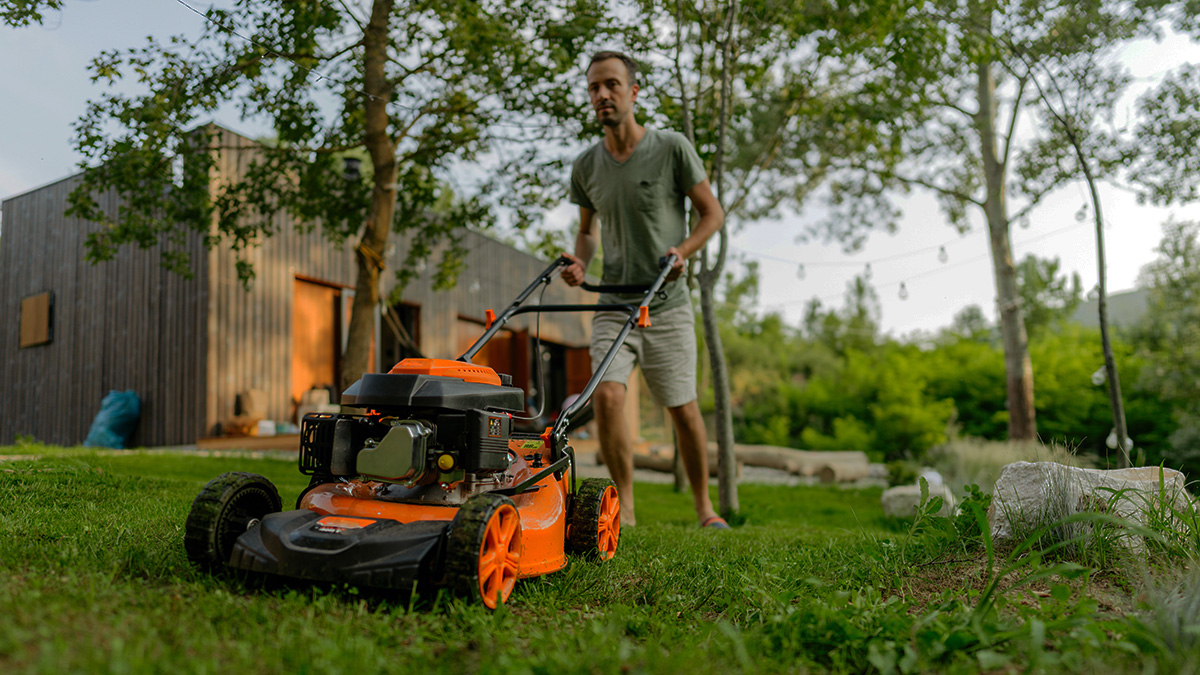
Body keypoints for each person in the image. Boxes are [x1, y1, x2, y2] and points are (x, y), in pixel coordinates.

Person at [561, 51, 727, 528]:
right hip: (615, 302)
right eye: (594, 87)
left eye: (612, 85)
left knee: (683, 408)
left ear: (633, 92)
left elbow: (711, 213)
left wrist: (683, 251)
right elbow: (588, 232)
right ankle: (625, 509)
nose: (602, 95)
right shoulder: (586, 165)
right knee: (609, 397)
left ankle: (704, 508)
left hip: (667, 304)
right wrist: (579, 262)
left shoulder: (671, 147)